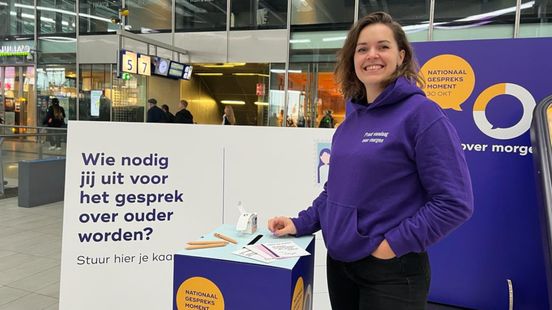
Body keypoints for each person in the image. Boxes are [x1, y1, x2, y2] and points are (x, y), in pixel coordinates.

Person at [268, 12, 473, 310]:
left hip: (391, 273)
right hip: (340, 266)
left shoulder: (422, 115)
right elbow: (334, 192)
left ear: (401, 56)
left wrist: (392, 246)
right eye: (362, 48)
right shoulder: (349, 123)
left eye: (383, 46)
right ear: (353, 59)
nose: (371, 55)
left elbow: (455, 201)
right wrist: (300, 223)